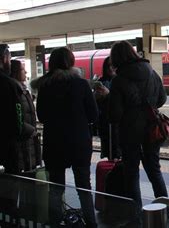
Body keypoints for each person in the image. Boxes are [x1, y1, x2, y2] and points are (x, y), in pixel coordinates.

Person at [36, 47, 98, 227]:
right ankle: (91, 223)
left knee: (55, 189)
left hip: (54, 143)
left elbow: (41, 116)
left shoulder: (45, 86)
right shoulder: (81, 84)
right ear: (71, 62)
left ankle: (55, 223)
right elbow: (93, 116)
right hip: (79, 143)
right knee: (84, 187)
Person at [108, 41, 168, 225]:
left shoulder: (118, 80)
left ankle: (136, 218)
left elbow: (114, 115)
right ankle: (165, 210)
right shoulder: (151, 72)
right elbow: (162, 98)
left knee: (131, 175)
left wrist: (106, 99)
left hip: (130, 133)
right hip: (152, 130)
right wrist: (147, 108)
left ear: (116, 58)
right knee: (154, 171)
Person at [0, 44, 35, 174]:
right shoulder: (8, 84)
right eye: (9, 59)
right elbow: (17, 117)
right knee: (12, 184)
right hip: (8, 145)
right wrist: (28, 131)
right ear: (4, 59)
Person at [10, 60, 41, 172]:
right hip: (22, 142)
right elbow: (14, 117)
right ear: (15, 72)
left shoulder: (22, 89)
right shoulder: (14, 90)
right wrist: (30, 130)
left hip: (27, 141)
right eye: (23, 69)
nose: (26, 72)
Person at [94, 56, 121, 159]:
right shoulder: (101, 81)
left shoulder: (121, 81)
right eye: (107, 66)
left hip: (118, 125)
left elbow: (122, 101)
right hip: (105, 123)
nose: (110, 68)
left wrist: (108, 94)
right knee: (109, 152)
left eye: (113, 66)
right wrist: (95, 97)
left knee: (118, 152)